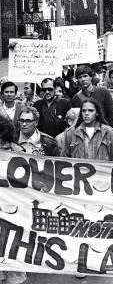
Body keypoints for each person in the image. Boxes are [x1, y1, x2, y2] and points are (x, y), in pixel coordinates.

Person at [0, 116, 27, 284]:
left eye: (4, 141)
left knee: (14, 251)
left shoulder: (20, 154)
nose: (2, 145)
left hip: (15, 212)